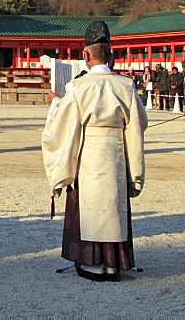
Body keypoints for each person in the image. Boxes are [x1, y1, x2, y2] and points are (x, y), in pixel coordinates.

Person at [42, 20, 146, 282]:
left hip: (88, 154)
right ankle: (114, 263)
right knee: (113, 205)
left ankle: (92, 263)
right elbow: (139, 123)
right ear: (110, 54)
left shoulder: (79, 87)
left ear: (86, 55)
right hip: (117, 153)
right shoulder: (126, 86)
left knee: (88, 207)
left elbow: (62, 128)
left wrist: (55, 105)